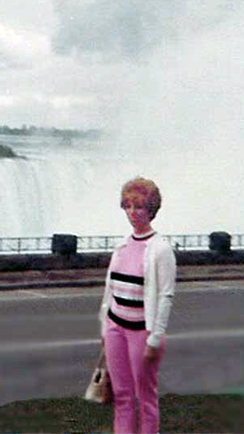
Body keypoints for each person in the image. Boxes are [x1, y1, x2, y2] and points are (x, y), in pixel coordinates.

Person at [98, 177, 176, 434]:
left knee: (145, 399)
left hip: (142, 332)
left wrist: (155, 339)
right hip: (115, 328)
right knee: (122, 397)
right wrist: (105, 327)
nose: (133, 213)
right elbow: (110, 289)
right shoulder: (122, 245)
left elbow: (165, 296)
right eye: (128, 206)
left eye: (139, 206)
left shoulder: (160, 249)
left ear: (151, 210)